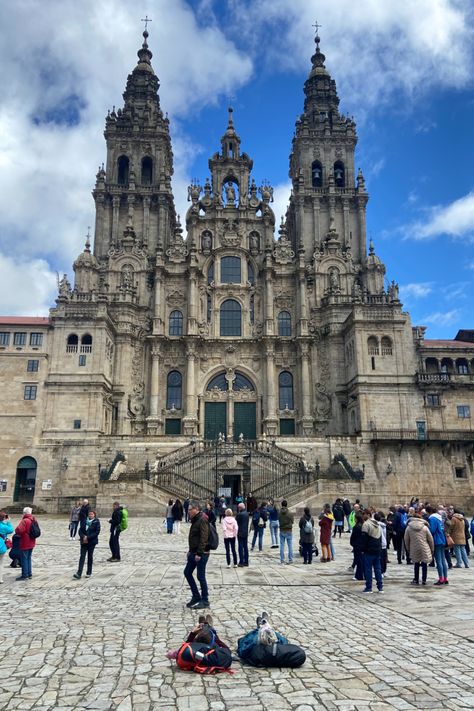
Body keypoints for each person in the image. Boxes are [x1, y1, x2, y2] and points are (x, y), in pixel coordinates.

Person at [184, 501, 211, 609]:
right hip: (194, 552)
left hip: (201, 553)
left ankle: (205, 600)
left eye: (190, 509)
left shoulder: (202, 519)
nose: (189, 511)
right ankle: (196, 596)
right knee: (187, 572)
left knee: (200, 576)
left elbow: (204, 538)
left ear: (196, 509)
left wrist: (199, 553)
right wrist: (190, 551)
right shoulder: (196, 519)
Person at [404, 512, 434, 585]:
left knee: (416, 564)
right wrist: (432, 548)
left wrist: (408, 549)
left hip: (414, 547)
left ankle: (416, 579)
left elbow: (406, 539)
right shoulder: (425, 527)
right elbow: (430, 539)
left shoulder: (408, 528)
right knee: (424, 563)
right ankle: (424, 580)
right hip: (424, 546)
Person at [73, 510, 101, 579]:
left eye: (92, 514)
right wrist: (83, 537)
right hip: (83, 542)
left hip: (91, 542)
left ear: (94, 515)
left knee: (90, 556)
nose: (90, 515)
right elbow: (80, 530)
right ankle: (79, 573)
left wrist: (87, 537)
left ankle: (89, 572)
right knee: (82, 557)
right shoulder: (84, 521)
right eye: (89, 514)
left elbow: (97, 532)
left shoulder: (96, 522)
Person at [360, 510, 383, 593]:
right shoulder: (378, 525)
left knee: (368, 569)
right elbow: (380, 538)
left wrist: (362, 549)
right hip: (377, 549)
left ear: (368, 515)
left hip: (369, 550)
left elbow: (364, 539)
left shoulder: (366, 524)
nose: (363, 516)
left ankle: (369, 587)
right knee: (378, 569)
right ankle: (380, 587)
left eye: (364, 514)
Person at [427, 505, 448, 585]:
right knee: (443, 560)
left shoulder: (432, 518)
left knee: (438, 561)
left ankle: (441, 579)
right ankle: (445, 578)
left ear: (429, 512)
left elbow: (432, 530)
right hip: (442, 539)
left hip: (437, 540)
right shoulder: (439, 517)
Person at [15, 506, 38, 581]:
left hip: (25, 541)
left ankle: (25, 575)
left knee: (24, 558)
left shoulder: (25, 521)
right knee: (28, 557)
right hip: (32, 541)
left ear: (24, 513)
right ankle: (29, 573)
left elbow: (18, 530)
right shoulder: (33, 519)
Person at [350, 512, 364, 580]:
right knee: (360, 560)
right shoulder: (363, 525)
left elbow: (353, 536)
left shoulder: (356, 527)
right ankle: (361, 574)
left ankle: (359, 575)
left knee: (358, 560)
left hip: (357, 545)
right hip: (362, 545)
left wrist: (352, 543)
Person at [0, 512, 14, 584]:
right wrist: (8, 522)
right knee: (0, 563)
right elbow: (11, 530)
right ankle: (0, 579)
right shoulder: (3, 527)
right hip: (1, 547)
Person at [279, 500, 294, 564]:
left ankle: (282, 559)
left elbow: (278, 519)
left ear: (282, 505)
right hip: (288, 530)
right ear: (287, 505)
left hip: (282, 530)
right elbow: (292, 521)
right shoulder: (290, 513)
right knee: (290, 545)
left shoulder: (279, 513)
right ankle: (290, 559)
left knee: (282, 545)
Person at [236, 503, 249, 567]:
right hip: (245, 532)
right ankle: (246, 561)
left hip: (240, 532)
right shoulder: (247, 513)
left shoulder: (239, 514)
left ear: (240, 508)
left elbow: (236, 523)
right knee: (245, 547)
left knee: (240, 547)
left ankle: (241, 561)